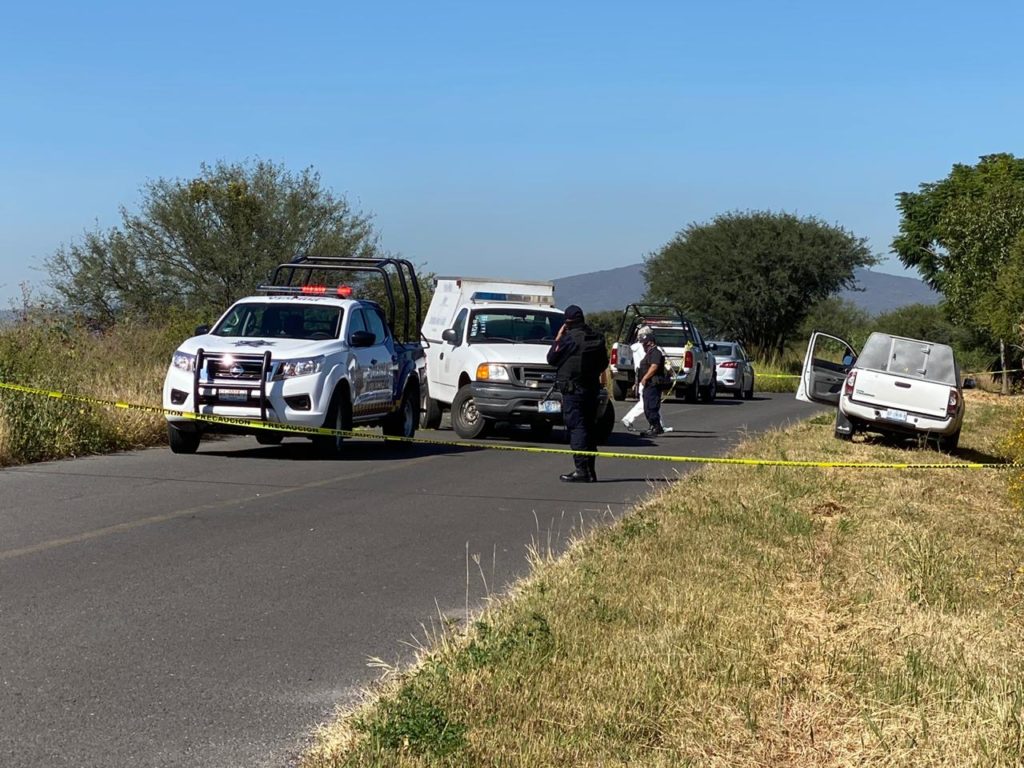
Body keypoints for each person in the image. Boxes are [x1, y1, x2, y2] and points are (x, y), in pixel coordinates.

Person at [547, 304, 609, 483]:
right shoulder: (596, 338)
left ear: (567, 322)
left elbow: (552, 359)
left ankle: (581, 470)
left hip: (573, 391)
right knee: (589, 428)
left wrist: (558, 338)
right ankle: (590, 470)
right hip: (591, 390)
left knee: (577, 428)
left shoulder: (570, 339)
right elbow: (603, 363)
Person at [635, 331, 670, 436]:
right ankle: (653, 427)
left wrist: (645, 378)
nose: (643, 346)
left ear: (650, 342)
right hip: (648, 384)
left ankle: (656, 428)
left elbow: (654, 366)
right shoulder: (649, 353)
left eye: (644, 343)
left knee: (651, 407)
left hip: (653, 384)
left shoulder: (656, 353)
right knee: (647, 407)